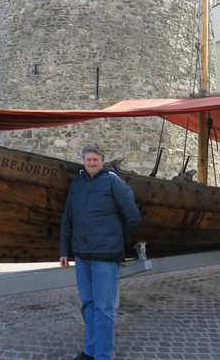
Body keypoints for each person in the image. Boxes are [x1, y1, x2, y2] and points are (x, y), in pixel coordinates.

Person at [60, 143, 141, 360]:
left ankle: (103, 355)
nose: (91, 163)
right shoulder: (77, 183)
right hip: (82, 256)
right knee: (88, 305)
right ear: (83, 161)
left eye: (95, 159)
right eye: (88, 159)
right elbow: (68, 219)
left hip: (105, 257)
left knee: (103, 308)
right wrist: (64, 250)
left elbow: (133, 217)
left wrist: (115, 240)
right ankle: (90, 350)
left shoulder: (114, 182)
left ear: (102, 161)